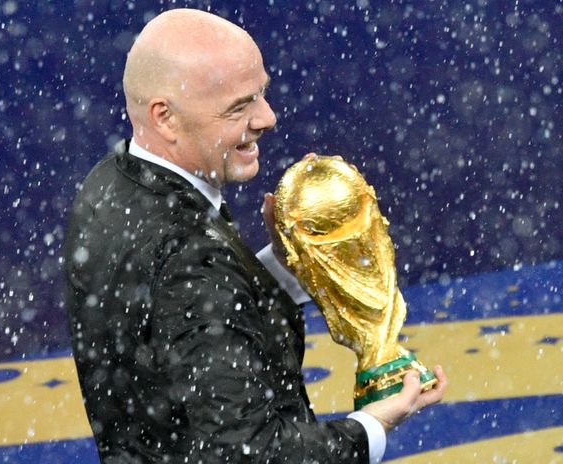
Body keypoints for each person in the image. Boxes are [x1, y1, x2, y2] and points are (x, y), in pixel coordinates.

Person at [64, 8, 447, 463]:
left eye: (261, 94)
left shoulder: (112, 183)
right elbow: (253, 455)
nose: (267, 117)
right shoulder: (190, 257)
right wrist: (373, 427)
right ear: (165, 118)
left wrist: (280, 268)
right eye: (239, 106)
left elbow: (170, 324)